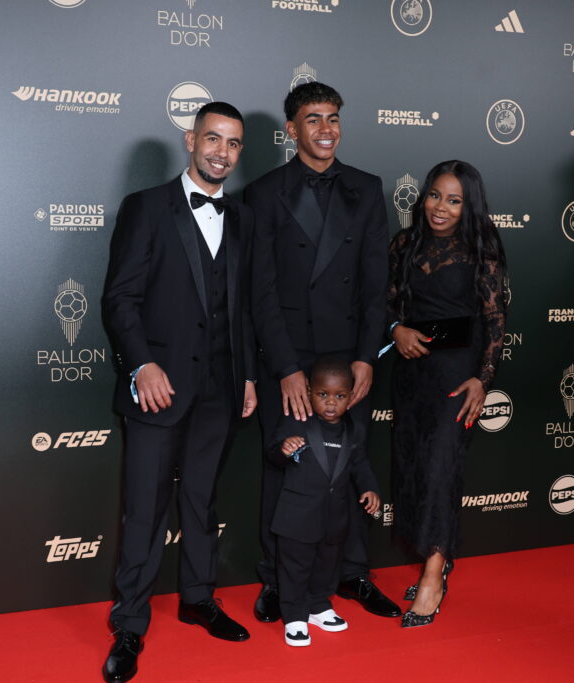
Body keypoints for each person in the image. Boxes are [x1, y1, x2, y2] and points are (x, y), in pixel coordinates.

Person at [101, 101, 256, 683]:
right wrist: (142, 366)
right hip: (157, 391)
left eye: (234, 144)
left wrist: (246, 376)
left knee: (201, 502)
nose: (222, 152)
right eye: (213, 139)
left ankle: (197, 598)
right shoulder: (146, 208)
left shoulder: (242, 219)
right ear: (190, 141)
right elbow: (119, 299)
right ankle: (129, 625)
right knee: (144, 510)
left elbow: (240, 309)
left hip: (220, 388)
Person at [245, 81, 398, 623]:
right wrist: (285, 367)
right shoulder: (263, 193)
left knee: (350, 467)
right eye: (314, 119)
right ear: (291, 130)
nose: (326, 129)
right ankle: (278, 583)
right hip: (289, 356)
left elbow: (376, 285)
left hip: (345, 357)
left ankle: (354, 574)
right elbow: (259, 291)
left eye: (333, 118)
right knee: (288, 470)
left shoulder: (367, 187)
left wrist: (366, 358)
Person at [386, 160, 506, 627]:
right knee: (414, 468)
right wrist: (396, 329)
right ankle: (436, 558)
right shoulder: (404, 243)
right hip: (412, 372)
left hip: (458, 374)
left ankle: (434, 574)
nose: (440, 207)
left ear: (467, 205)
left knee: (441, 469)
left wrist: (483, 378)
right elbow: (387, 302)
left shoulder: (482, 247)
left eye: (453, 200)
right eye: (435, 195)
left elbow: (495, 321)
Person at [267, 357, 380, 647]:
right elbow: (273, 456)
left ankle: (318, 605)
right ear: (308, 393)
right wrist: (284, 448)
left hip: (334, 517)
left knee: (326, 565)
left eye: (340, 396)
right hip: (297, 517)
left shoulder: (353, 430)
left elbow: (360, 465)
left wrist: (370, 489)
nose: (331, 403)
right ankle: (293, 615)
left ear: (351, 396)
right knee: (295, 567)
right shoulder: (296, 421)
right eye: (323, 395)